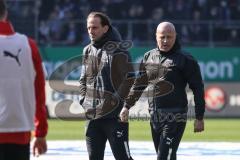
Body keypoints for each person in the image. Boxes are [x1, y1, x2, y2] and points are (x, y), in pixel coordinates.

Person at [120, 21, 205, 160]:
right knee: (167, 156)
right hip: (155, 116)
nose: (165, 40)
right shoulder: (148, 56)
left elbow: (198, 89)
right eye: (162, 37)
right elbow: (139, 84)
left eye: (169, 37)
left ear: (175, 36)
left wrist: (199, 117)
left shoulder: (186, 59)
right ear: (156, 37)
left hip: (175, 116)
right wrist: (127, 106)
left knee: (163, 157)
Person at [79, 12, 134, 160]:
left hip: (113, 117)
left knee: (123, 157)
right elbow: (83, 79)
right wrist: (83, 100)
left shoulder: (118, 49)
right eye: (89, 28)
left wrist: (114, 101)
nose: (91, 31)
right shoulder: (87, 50)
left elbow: (129, 79)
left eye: (95, 27)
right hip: (92, 116)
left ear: (105, 28)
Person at [0, 0, 48, 160]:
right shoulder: (29, 45)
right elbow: (39, 92)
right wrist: (40, 132)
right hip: (20, 131)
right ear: (5, 14)